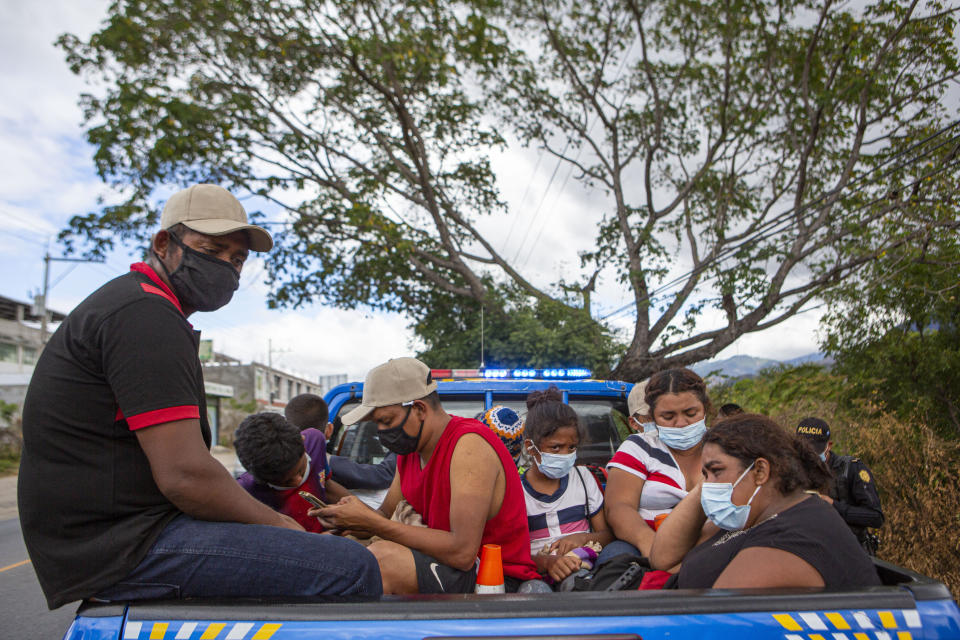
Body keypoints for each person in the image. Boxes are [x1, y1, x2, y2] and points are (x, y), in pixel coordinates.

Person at [18, 184, 380, 609]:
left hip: (122, 536)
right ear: (163, 243)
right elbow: (185, 476)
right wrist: (281, 524)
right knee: (351, 567)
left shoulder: (145, 309)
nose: (226, 266)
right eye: (212, 249)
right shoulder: (146, 315)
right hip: (124, 546)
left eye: (238, 258)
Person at [312, 357, 540, 594]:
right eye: (376, 424)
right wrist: (349, 520)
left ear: (419, 408)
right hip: (444, 563)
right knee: (335, 550)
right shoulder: (410, 451)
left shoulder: (469, 446)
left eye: (386, 421)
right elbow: (383, 515)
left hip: (492, 577)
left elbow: (462, 552)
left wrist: (374, 523)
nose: (381, 432)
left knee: (384, 560)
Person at [649, 414, 881, 589]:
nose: (708, 485)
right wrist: (707, 484)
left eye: (716, 471)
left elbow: (713, 623)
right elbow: (664, 559)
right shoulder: (751, 515)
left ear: (760, 471)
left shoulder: (791, 540)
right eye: (705, 475)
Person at [602, 368, 712, 563]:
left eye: (691, 413)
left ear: (706, 408)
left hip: (712, 543)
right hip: (647, 545)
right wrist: (651, 545)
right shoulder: (639, 447)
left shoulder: (727, 446)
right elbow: (619, 507)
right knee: (615, 560)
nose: (680, 423)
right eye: (668, 417)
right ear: (652, 416)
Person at [520, 387, 612, 583]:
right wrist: (546, 563)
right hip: (536, 578)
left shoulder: (584, 478)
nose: (565, 455)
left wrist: (582, 539)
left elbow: (608, 535)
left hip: (584, 570)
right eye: (555, 447)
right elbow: (512, 554)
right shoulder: (517, 491)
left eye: (571, 447)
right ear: (531, 447)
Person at [235, 412, 351, 532]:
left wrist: (357, 509)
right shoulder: (245, 492)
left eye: (301, 470)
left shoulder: (315, 441)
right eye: (286, 482)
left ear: (303, 441)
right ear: (260, 478)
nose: (298, 481)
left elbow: (326, 485)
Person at [796, 417, 884, 554]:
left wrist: (833, 506)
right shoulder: (793, 471)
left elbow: (875, 517)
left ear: (828, 446)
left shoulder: (851, 469)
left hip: (849, 552)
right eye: (805, 452)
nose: (810, 457)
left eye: (814, 452)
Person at [288, 393, 397, 497]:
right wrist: (399, 446)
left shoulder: (281, 459)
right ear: (329, 430)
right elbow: (382, 475)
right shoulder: (328, 462)